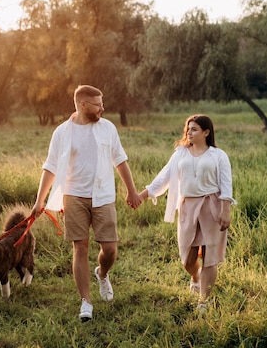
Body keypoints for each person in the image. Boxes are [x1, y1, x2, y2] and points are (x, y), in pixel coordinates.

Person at [31, 84, 142, 322]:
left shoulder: (107, 128)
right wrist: (40, 200)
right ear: (83, 105)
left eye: (102, 103)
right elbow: (50, 167)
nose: (103, 108)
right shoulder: (62, 132)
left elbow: (120, 160)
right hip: (73, 196)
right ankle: (86, 302)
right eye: (98, 104)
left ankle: (102, 273)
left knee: (110, 249)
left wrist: (132, 191)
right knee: (79, 248)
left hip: (103, 196)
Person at [138, 114, 236, 312]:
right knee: (188, 259)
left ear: (206, 132)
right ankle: (195, 276)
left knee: (210, 256)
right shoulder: (180, 154)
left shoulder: (218, 155)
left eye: (194, 129)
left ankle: (204, 301)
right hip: (188, 207)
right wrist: (142, 195)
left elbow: (226, 186)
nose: (189, 132)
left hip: (212, 206)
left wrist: (225, 212)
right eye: (188, 129)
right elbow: (163, 178)